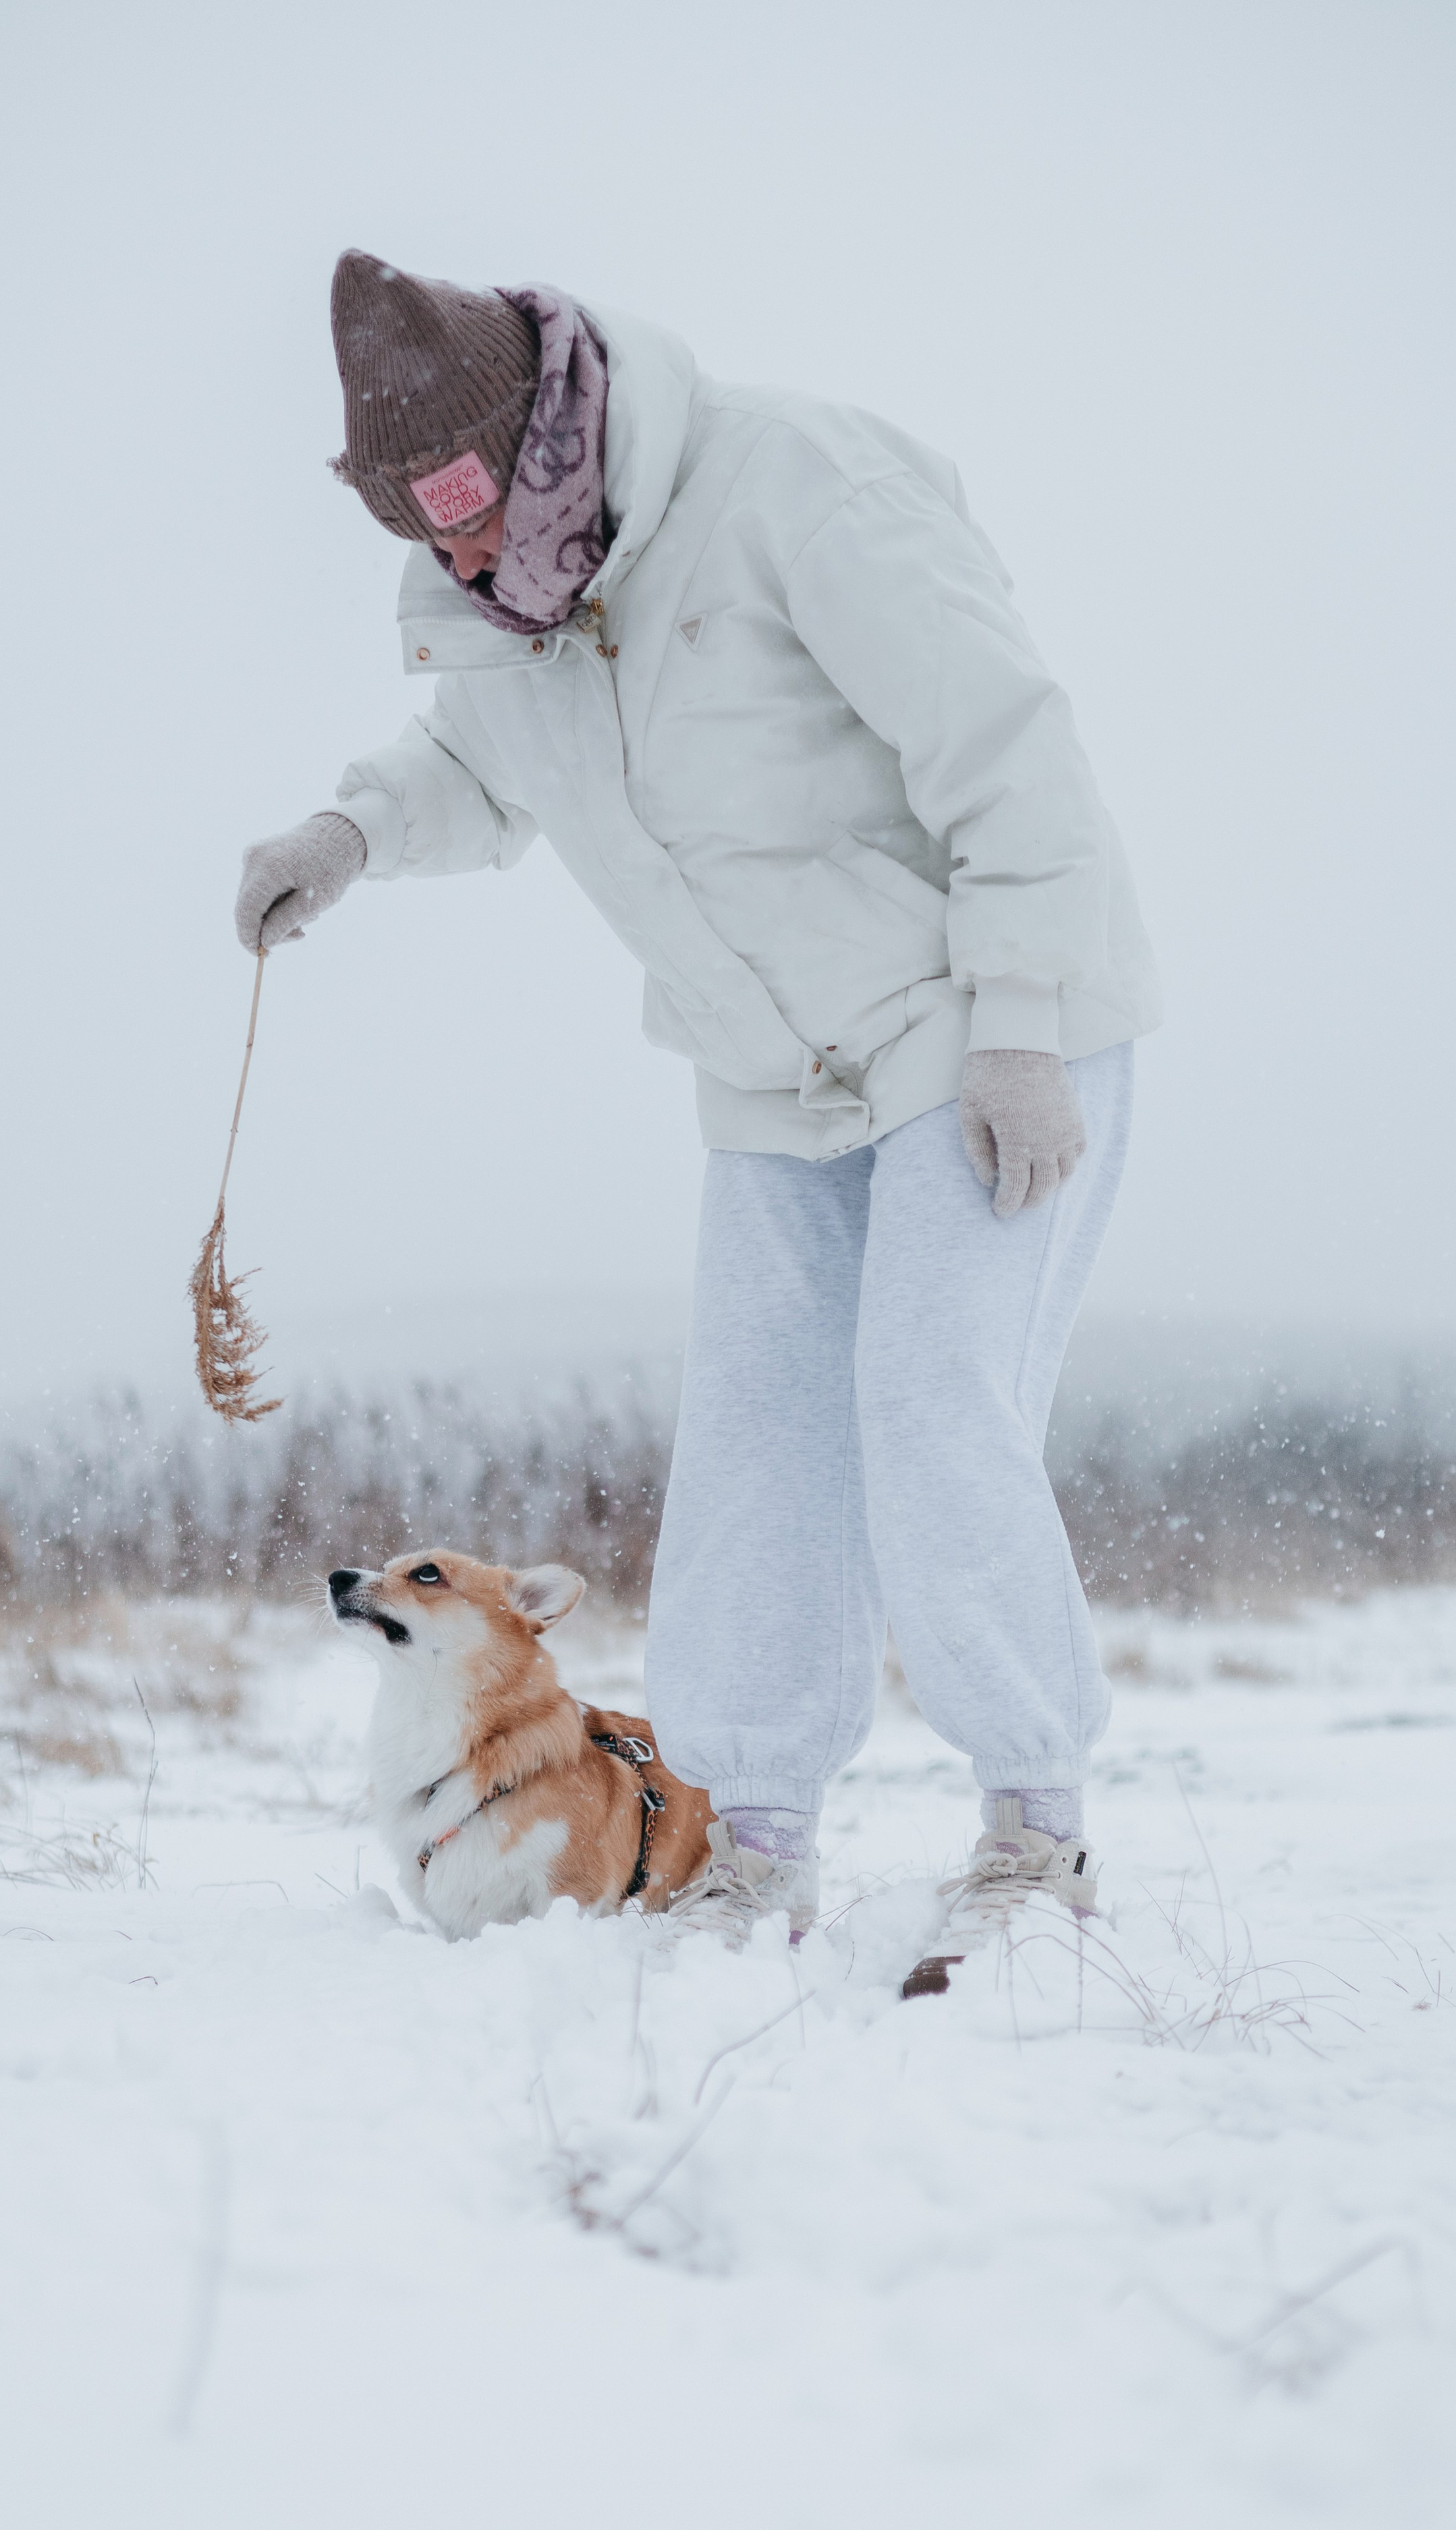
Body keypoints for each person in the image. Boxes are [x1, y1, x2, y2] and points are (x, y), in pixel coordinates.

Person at [235, 252, 1160, 1943]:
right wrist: (348, 833)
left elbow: (1004, 741)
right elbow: (476, 760)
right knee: (752, 1458)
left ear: (533, 453)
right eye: (417, 544)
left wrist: (1023, 1013)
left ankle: (1036, 1827)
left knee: (929, 1406)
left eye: (456, 524)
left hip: (977, 1012)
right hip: (772, 1076)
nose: (448, 568)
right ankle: (755, 1842)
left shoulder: (794, 485)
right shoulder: (521, 599)